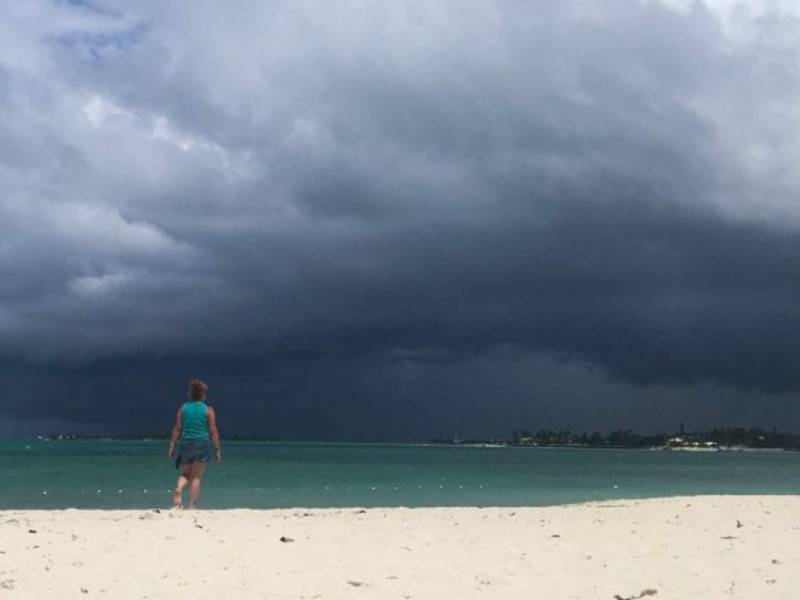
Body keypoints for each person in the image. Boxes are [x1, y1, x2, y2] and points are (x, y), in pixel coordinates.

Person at [168, 378, 221, 509]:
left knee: (185, 473)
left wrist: (172, 446)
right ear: (203, 394)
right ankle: (192, 505)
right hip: (202, 443)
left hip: (186, 443)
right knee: (196, 477)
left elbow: (177, 428)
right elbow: (213, 431)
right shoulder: (208, 410)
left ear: (190, 394)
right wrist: (217, 449)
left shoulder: (183, 408)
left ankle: (179, 488)